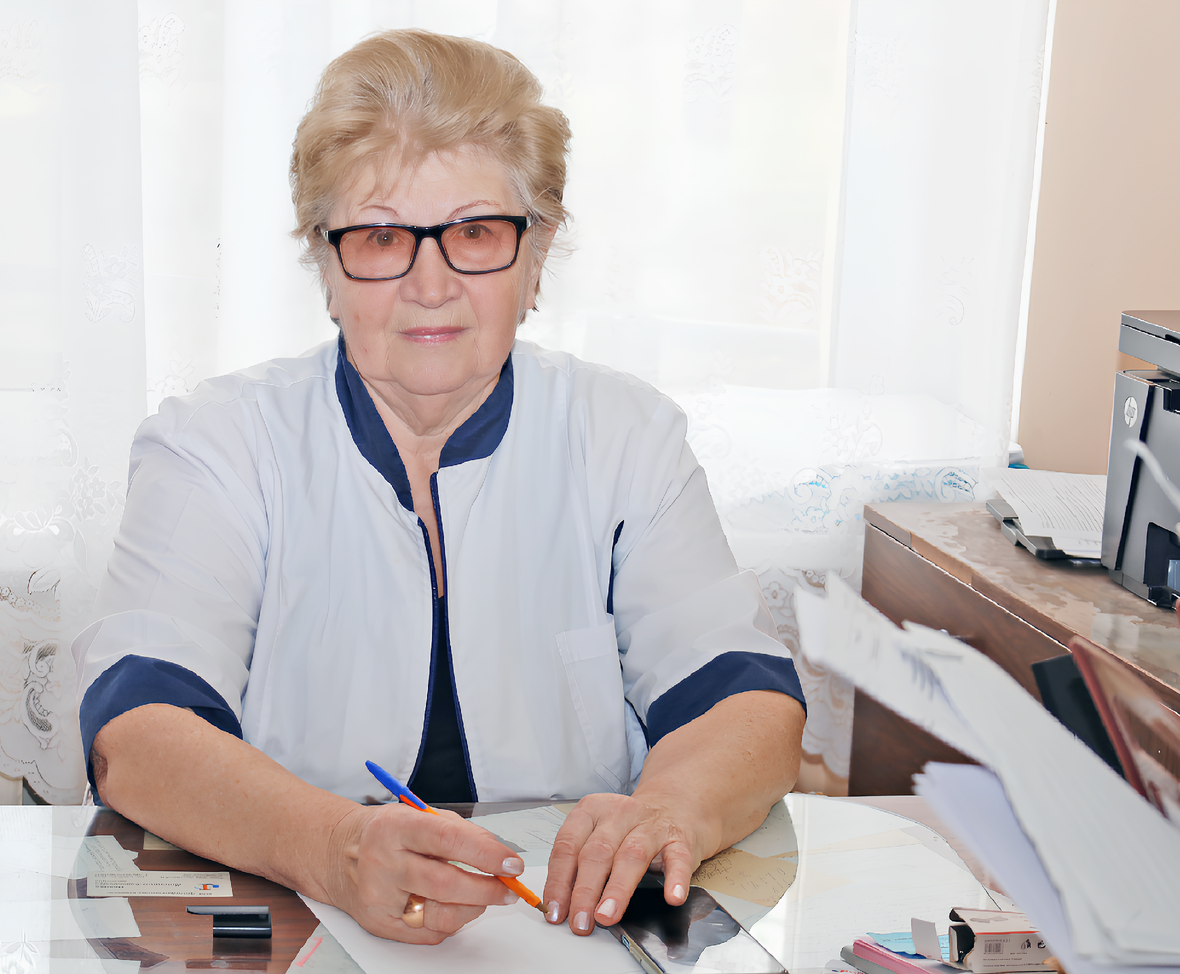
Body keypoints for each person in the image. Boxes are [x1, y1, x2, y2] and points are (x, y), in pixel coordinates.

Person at [72, 29, 807, 945]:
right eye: (383, 237)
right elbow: (138, 731)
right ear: (326, 264)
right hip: (285, 924)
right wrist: (334, 846)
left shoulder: (626, 437)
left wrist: (672, 808)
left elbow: (746, 699)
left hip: (564, 934)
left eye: (475, 234)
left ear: (536, 259)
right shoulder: (216, 445)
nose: (431, 284)